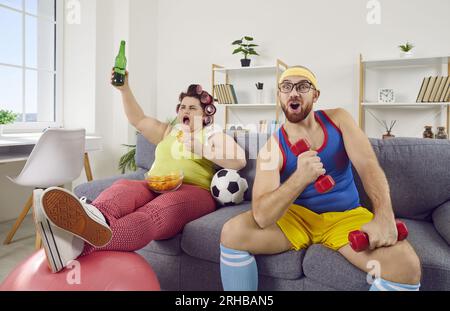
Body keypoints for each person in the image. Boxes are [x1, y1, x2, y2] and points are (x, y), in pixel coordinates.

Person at [219, 66, 422, 291]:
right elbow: (262, 216)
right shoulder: (271, 148)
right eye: (286, 87)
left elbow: (368, 166)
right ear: (279, 95)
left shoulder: (339, 119)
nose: (293, 92)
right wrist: (300, 178)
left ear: (315, 95)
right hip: (296, 218)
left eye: (303, 86)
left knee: (406, 267)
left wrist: (384, 214)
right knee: (232, 232)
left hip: (345, 217)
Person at [33, 70, 246, 273]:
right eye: (182, 107)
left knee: (155, 212)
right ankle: (92, 218)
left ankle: (77, 245)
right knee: (124, 187)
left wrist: (202, 148)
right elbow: (139, 119)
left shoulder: (211, 134)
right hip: (155, 184)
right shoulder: (170, 132)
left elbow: (238, 160)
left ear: (206, 114)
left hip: (193, 191)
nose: (185, 111)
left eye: (192, 107)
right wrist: (124, 90)